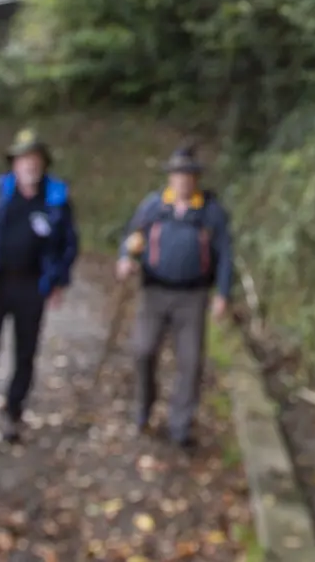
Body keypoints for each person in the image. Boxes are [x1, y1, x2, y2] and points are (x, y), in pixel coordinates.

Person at [0, 128, 78, 449]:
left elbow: (68, 244)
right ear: (14, 164)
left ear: (43, 163)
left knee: (25, 352)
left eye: (34, 159)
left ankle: (12, 413)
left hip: (33, 286)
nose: (28, 165)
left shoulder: (56, 197)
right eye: (23, 159)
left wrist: (59, 281)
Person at [117, 147, 233, 447]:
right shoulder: (153, 206)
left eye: (189, 175)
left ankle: (180, 425)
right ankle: (143, 408)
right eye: (178, 175)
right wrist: (126, 258)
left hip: (193, 295)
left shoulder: (210, 212)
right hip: (154, 291)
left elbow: (224, 253)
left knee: (191, 362)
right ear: (170, 177)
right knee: (143, 351)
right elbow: (132, 236)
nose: (183, 180)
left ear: (196, 179)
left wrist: (222, 293)